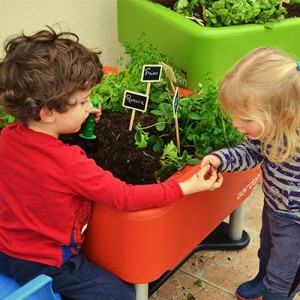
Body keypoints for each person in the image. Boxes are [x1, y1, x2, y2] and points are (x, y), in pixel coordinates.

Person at [0, 27, 223, 300]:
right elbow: (125, 196)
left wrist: (79, 119)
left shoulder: (7, 138)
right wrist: (185, 188)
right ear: (48, 112)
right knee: (122, 296)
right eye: (82, 102)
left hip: (5, 248)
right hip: (48, 263)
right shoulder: (70, 163)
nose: (89, 105)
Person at [200, 47, 300, 300]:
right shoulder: (265, 132)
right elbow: (250, 154)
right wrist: (220, 159)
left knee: (284, 274)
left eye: (244, 118)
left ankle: (275, 293)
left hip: (297, 223)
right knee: (267, 249)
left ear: (282, 114)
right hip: (275, 207)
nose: (236, 124)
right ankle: (262, 279)